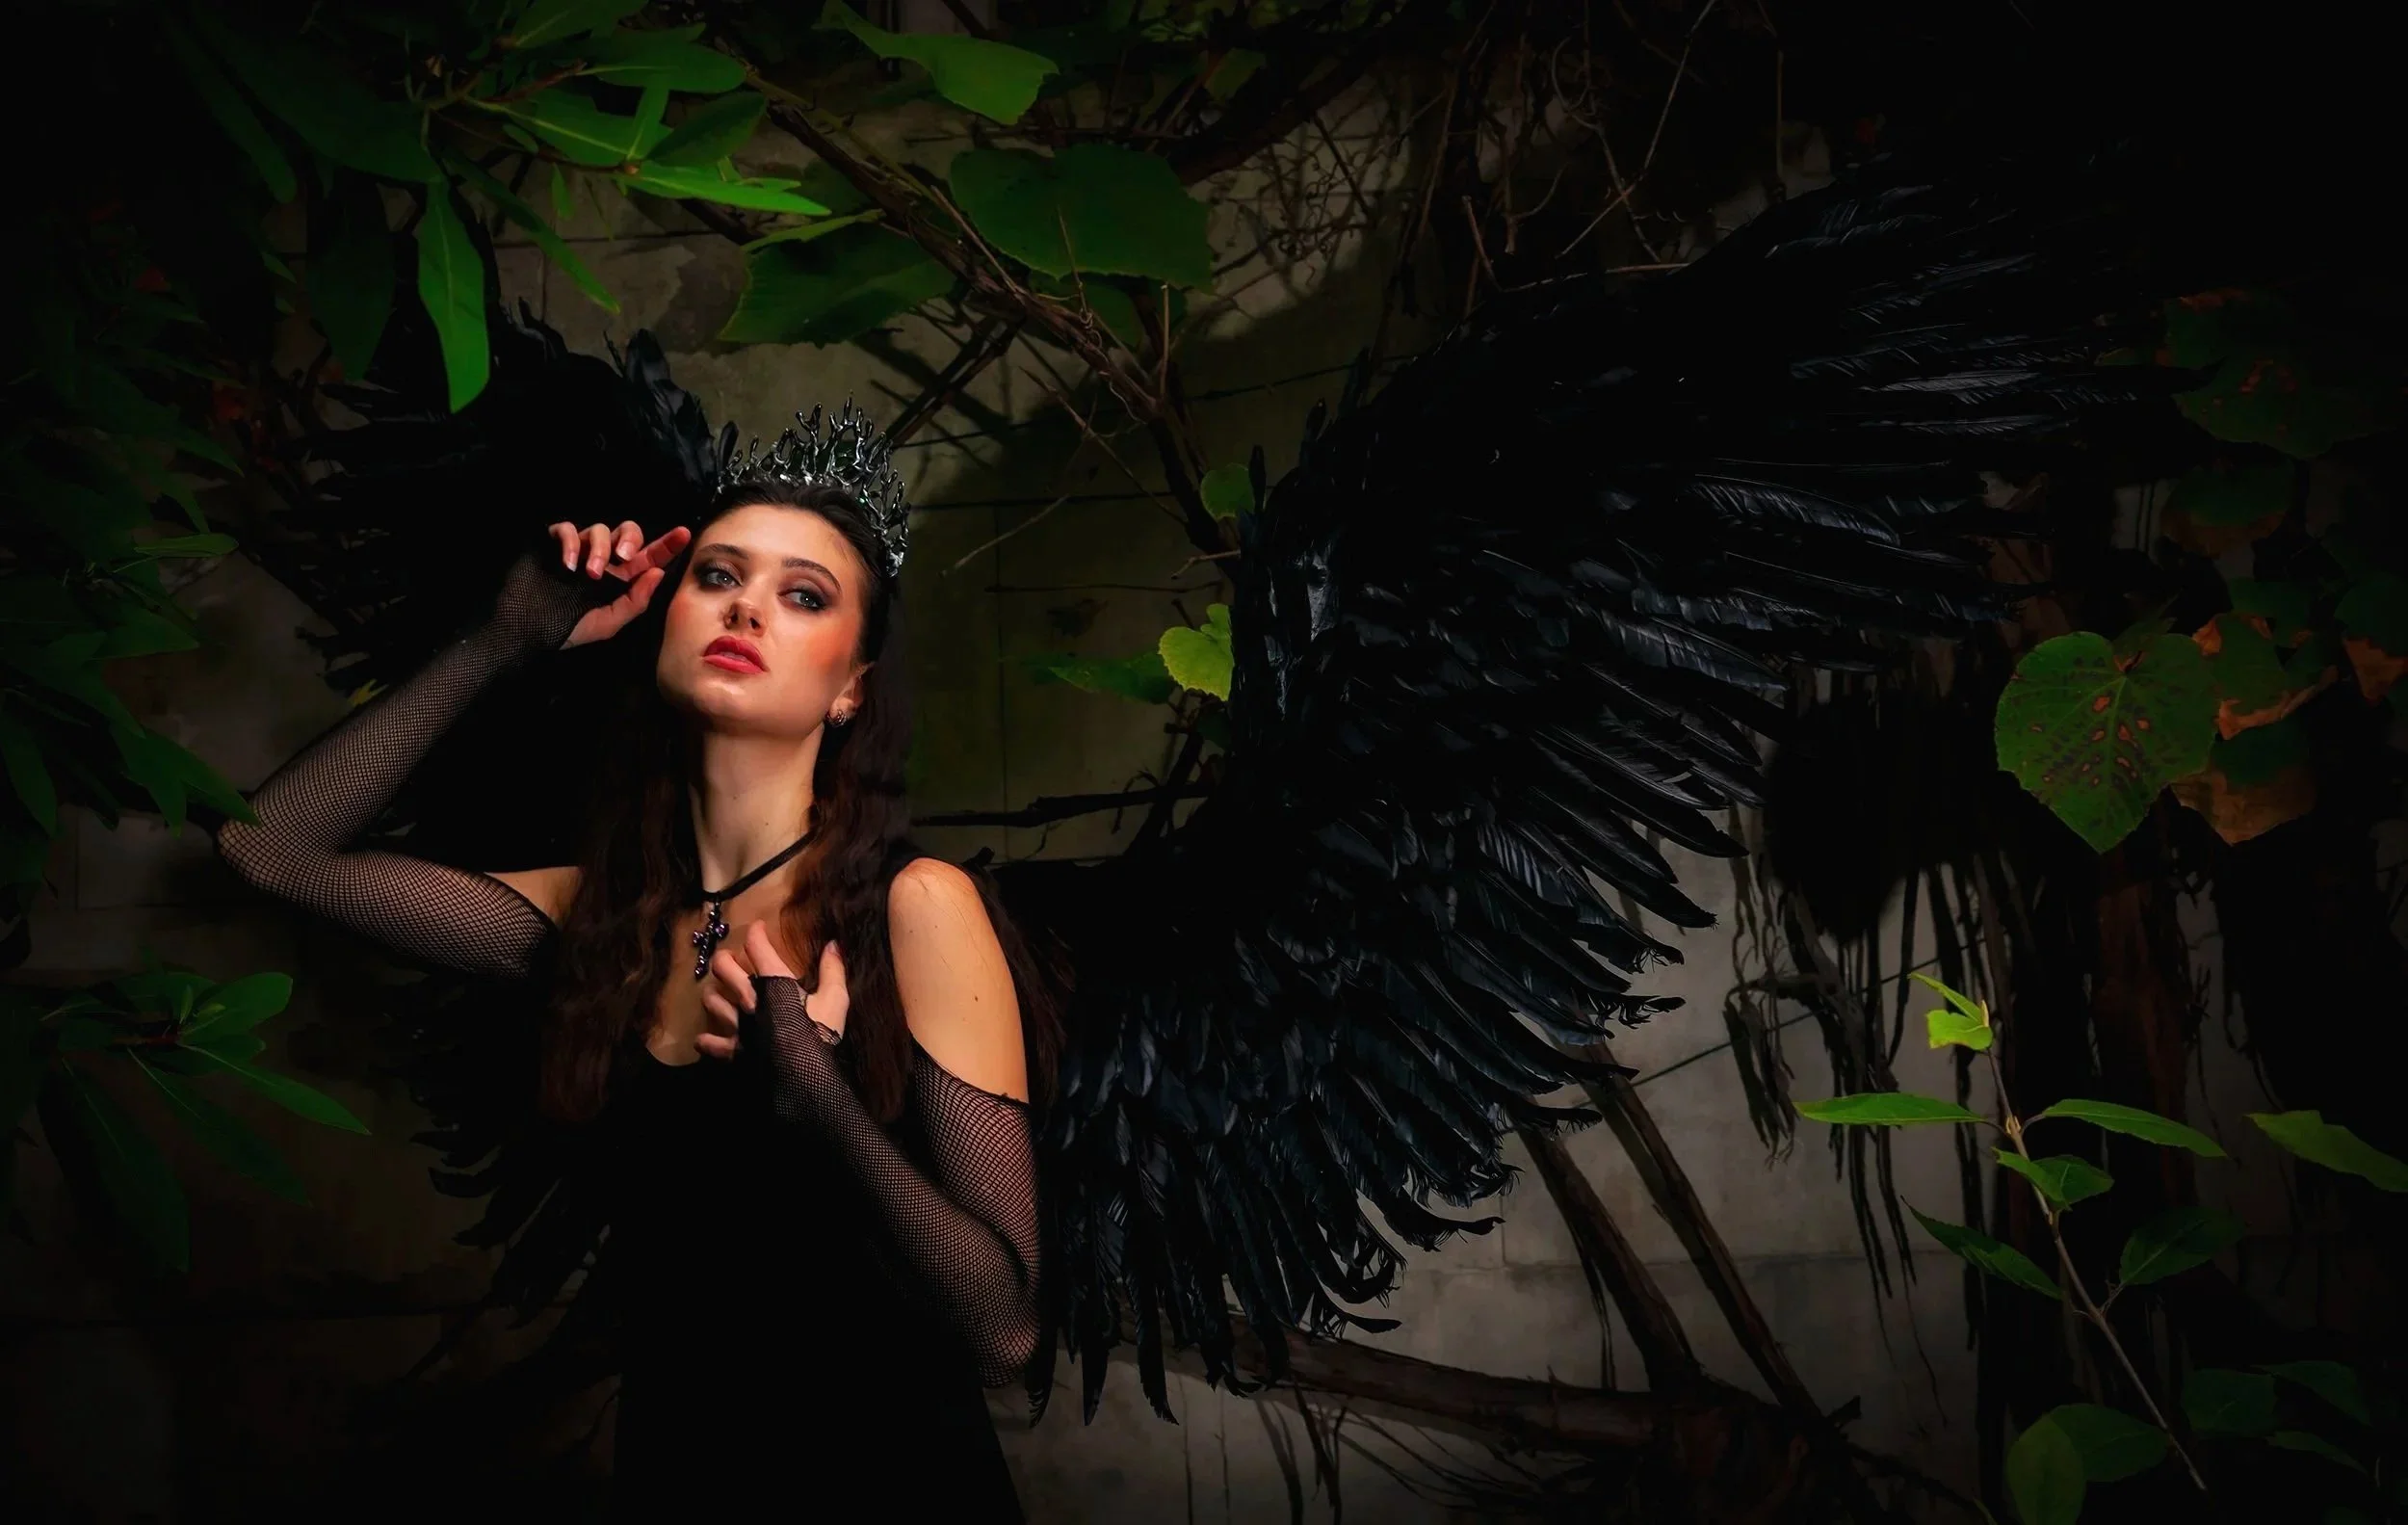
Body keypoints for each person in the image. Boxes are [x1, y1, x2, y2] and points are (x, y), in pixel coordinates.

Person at [218, 417, 1056, 1516]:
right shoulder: (595, 915)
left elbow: (1003, 1331)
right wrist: (501, 638)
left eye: (803, 595)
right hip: (676, 1470)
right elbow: (265, 848)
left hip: (887, 1479)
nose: (747, 607)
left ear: (851, 686)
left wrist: (821, 1103)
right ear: (666, 616)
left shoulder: (916, 906)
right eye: (717, 575)